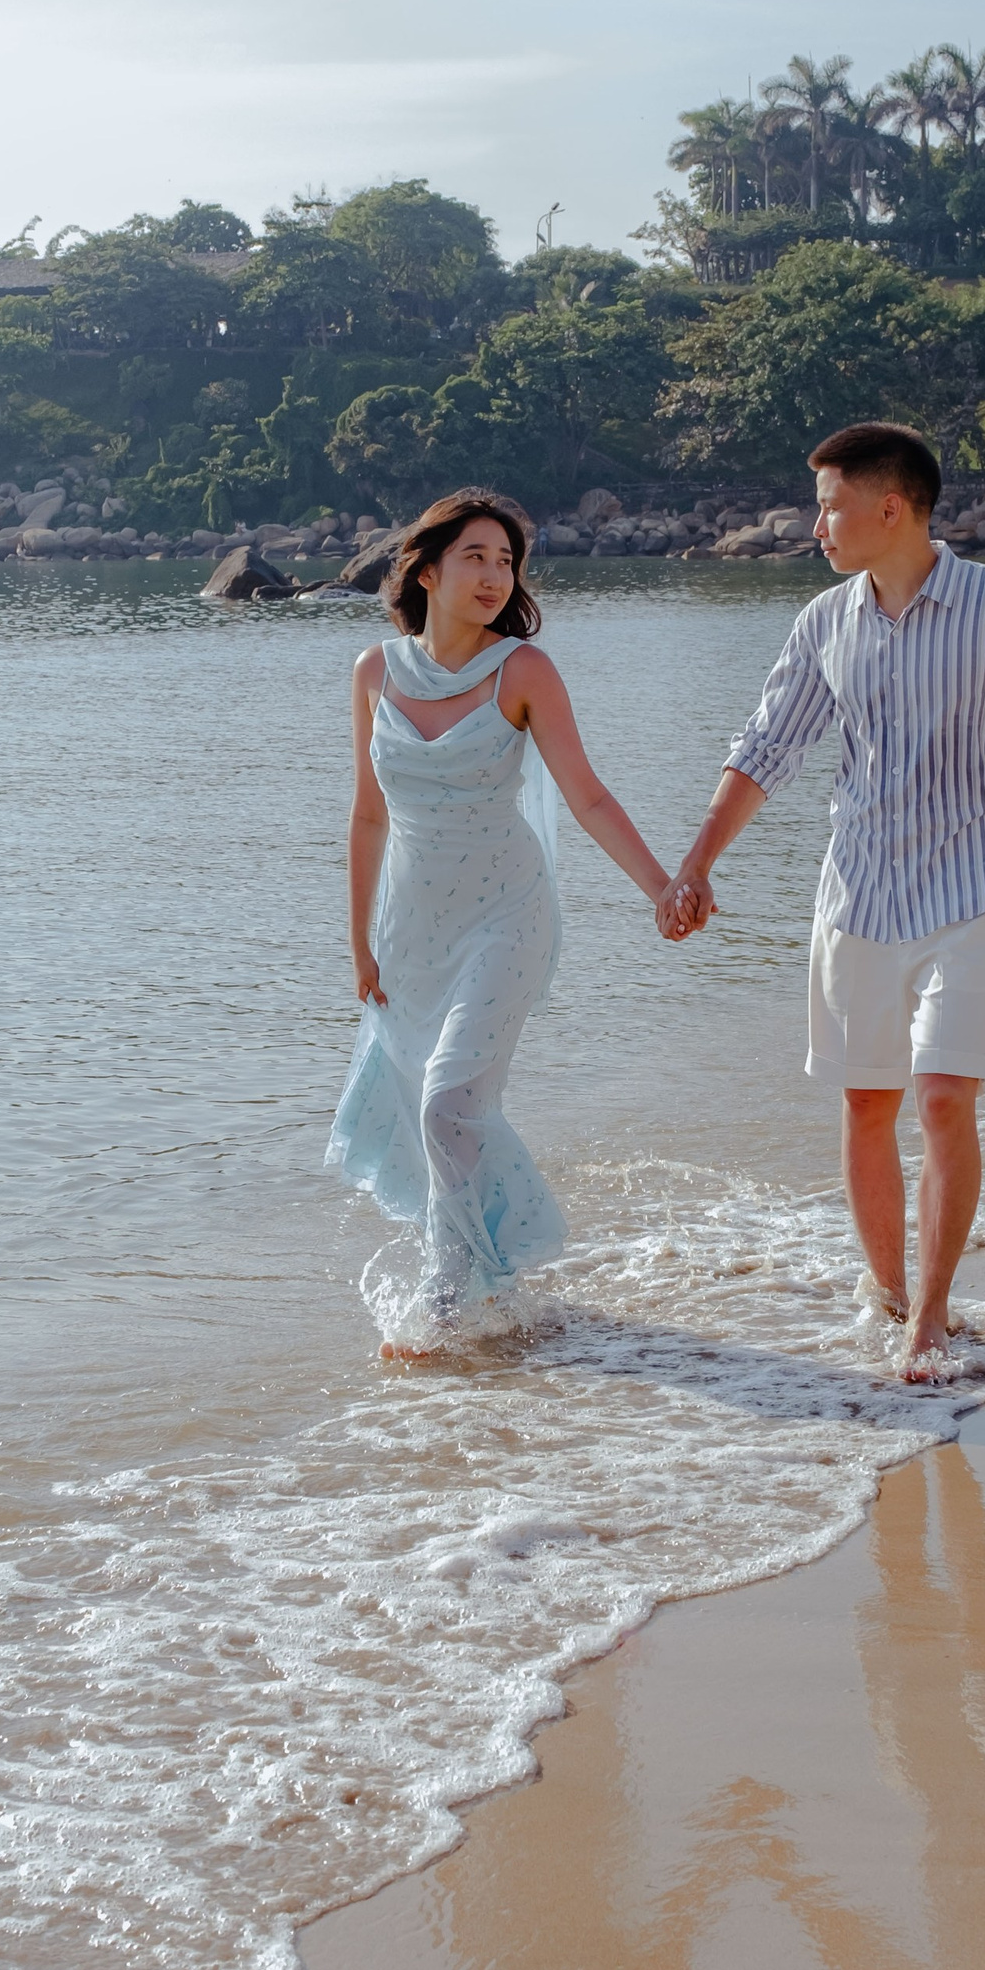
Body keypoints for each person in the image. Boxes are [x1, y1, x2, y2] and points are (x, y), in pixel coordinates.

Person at [660, 423, 985, 1381]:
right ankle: (891, 1292)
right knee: (868, 1106)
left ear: (889, 507)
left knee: (943, 1099)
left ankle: (930, 1319)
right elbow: (765, 748)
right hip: (858, 894)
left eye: (829, 504)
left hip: (974, 891)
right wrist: (695, 865)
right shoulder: (824, 622)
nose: (816, 523)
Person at [329, 488, 677, 1359]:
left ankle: (455, 1292)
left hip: (508, 919)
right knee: (430, 1113)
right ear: (428, 567)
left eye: (507, 560)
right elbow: (368, 816)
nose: (495, 575)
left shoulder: (523, 671)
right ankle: (491, 1285)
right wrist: (357, 937)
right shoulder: (374, 672)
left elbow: (586, 795)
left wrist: (661, 887)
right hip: (412, 932)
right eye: (477, 556)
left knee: (449, 1103)